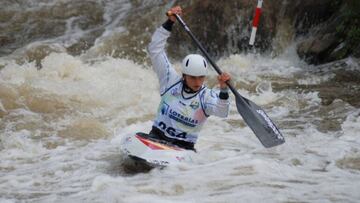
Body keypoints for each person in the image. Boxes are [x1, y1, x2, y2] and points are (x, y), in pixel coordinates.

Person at [147, 6, 231, 151]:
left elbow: (222, 112)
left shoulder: (206, 96)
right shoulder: (170, 80)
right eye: (193, 78)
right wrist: (169, 22)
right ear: (184, 75)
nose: (198, 82)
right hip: (156, 139)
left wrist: (224, 90)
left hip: (183, 149)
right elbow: (155, 49)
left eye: (201, 78)